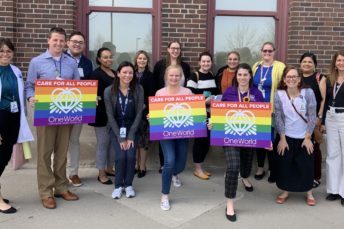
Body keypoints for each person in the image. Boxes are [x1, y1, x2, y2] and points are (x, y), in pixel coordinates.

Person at [26, 27, 80, 209]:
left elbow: (79, 88)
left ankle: (61, 187)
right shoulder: (37, 62)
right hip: (45, 113)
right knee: (44, 153)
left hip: (66, 114)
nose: (58, 43)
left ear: (66, 43)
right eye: (55, 40)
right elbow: (29, 86)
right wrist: (30, 97)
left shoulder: (71, 63)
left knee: (62, 152)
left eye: (61, 40)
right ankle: (46, 192)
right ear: (48, 41)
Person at [209, 63, 263, 222]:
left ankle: (245, 176)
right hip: (230, 135)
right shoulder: (229, 92)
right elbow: (220, 113)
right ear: (236, 76)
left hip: (249, 137)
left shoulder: (257, 93)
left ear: (250, 76)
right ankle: (230, 203)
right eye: (239, 75)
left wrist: (267, 139)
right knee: (233, 167)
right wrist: (214, 123)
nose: (242, 77)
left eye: (245, 74)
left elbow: (263, 117)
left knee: (245, 166)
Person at [274, 65, 316, 206]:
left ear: (299, 79)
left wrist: (308, 137)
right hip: (287, 136)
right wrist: (282, 138)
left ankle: (309, 192)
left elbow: (312, 115)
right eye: (288, 77)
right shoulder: (279, 94)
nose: (291, 79)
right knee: (286, 165)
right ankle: (286, 191)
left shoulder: (308, 92)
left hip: (305, 136)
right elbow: (278, 117)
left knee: (306, 165)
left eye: (294, 77)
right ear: (284, 79)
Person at [0, 38, 34, 214]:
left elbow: (20, 96)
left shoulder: (16, 71)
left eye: (8, 51)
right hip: (1, 119)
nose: (5, 54)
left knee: (4, 158)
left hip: (14, 119)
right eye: (2, 51)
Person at [154, 65, 192, 211]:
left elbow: (194, 113)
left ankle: (174, 174)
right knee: (169, 161)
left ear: (181, 76)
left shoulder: (188, 92)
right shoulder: (160, 93)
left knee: (181, 163)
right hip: (166, 133)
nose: (174, 78)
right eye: (171, 75)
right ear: (166, 76)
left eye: (177, 76)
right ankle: (164, 195)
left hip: (183, 133)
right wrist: (153, 117)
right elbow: (157, 114)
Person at [104, 61, 144, 199]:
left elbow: (139, 113)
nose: (128, 75)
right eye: (124, 72)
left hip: (133, 128)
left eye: (130, 72)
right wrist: (121, 138)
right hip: (116, 128)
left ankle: (128, 185)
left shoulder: (138, 89)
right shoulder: (109, 91)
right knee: (121, 157)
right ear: (118, 74)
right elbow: (109, 116)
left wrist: (131, 135)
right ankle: (118, 186)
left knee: (131, 156)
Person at [153, 40, 191, 173]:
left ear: (180, 51)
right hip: (163, 104)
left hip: (181, 107)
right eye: (173, 48)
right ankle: (165, 165)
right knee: (164, 134)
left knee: (178, 138)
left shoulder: (185, 66)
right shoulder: (160, 65)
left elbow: (188, 85)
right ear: (168, 49)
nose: (175, 51)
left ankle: (175, 170)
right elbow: (155, 84)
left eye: (178, 48)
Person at [252, 42, 285, 182]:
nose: (267, 53)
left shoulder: (279, 66)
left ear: (274, 51)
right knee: (259, 140)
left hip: (272, 109)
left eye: (270, 50)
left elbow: (283, 86)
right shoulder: (256, 66)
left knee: (271, 140)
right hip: (257, 110)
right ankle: (260, 167)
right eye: (264, 50)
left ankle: (272, 169)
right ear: (261, 52)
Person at [65, 31, 93, 187]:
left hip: (78, 107)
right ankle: (59, 174)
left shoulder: (87, 63)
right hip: (59, 107)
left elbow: (89, 84)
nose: (77, 44)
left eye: (81, 42)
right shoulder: (60, 59)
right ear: (68, 43)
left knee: (74, 141)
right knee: (59, 142)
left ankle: (73, 173)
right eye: (74, 41)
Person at [186, 51, 218, 180]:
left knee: (207, 141)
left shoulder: (211, 75)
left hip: (210, 113)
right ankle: (197, 169)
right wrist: (204, 102)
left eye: (208, 61)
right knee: (200, 141)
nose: (206, 63)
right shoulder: (194, 76)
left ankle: (200, 167)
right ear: (199, 62)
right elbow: (188, 97)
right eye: (203, 61)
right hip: (199, 114)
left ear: (211, 63)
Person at [89, 47, 116, 185]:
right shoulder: (95, 74)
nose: (108, 60)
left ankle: (110, 168)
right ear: (99, 59)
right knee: (103, 144)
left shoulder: (115, 73)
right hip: (101, 116)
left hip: (114, 115)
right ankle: (101, 173)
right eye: (105, 57)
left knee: (113, 144)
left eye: (110, 57)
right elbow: (92, 96)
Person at [299, 52, 327, 188]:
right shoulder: (297, 78)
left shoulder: (319, 78)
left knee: (315, 148)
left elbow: (323, 99)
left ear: (315, 64)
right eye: (304, 61)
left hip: (314, 119)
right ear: (300, 64)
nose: (306, 64)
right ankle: (304, 174)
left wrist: (320, 117)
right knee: (302, 147)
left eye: (310, 62)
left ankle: (316, 177)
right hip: (299, 119)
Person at [321, 50, 344, 206]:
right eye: (339, 60)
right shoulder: (330, 79)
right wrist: (322, 121)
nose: (341, 63)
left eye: (343, 60)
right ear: (335, 63)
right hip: (330, 116)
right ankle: (333, 190)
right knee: (332, 154)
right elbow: (325, 101)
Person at [134, 50, 155, 178]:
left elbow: (152, 94)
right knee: (135, 141)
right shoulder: (130, 73)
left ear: (147, 61)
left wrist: (145, 105)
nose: (142, 60)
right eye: (140, 58)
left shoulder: (150, 76)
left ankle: (142, 166)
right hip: (132, 112)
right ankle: (135, 165)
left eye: (144, 59)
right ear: (136, 60)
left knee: (144, 142)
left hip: (145, 112)